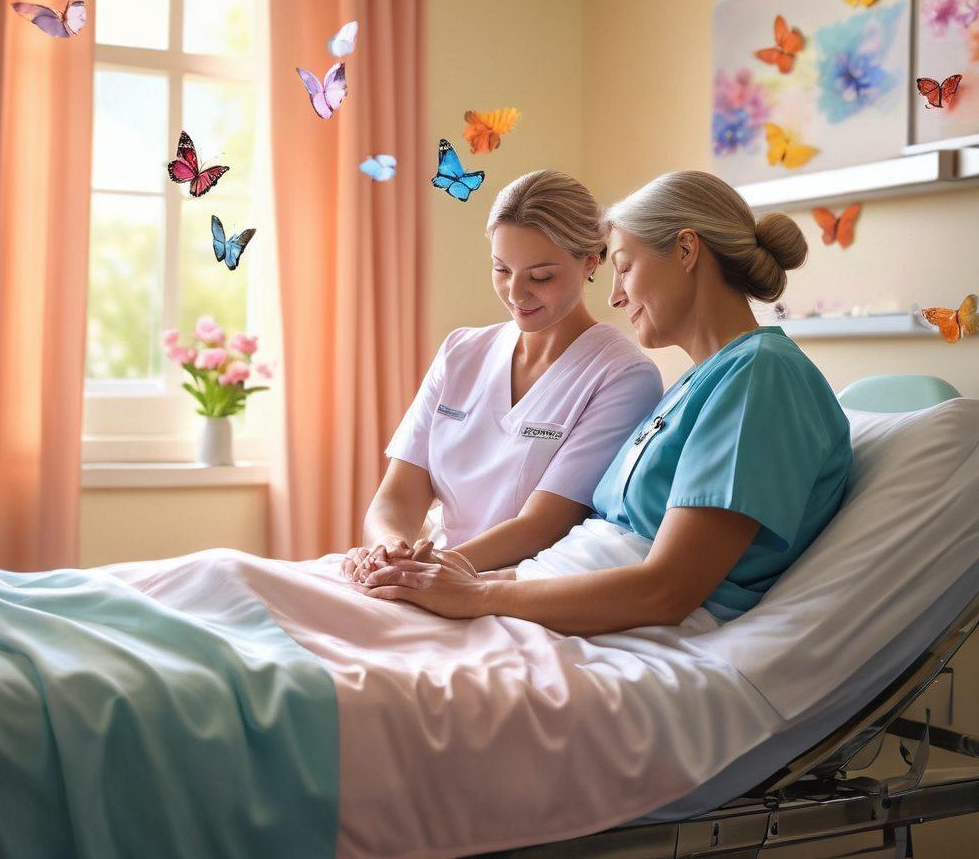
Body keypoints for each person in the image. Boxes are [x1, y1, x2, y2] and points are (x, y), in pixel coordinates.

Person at [357, 170, 854, 635]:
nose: (615, 297)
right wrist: (439, 578)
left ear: (686, 251)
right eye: (501, 269)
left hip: (600, 622)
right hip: (537, 589)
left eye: (624, 267)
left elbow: (667, 589)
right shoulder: (700, 383)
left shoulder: (761, 373)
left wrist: (474, 592)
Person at [341, 169, 663, 583]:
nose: (515, 293)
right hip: (435, 569)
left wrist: (428, 571)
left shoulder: (623, 376)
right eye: (502, 270)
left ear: (588, 261)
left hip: (515, 585)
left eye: (541, 276)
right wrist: (387, 550)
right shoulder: (461, 352)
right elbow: (398, 495)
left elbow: (544, 524)